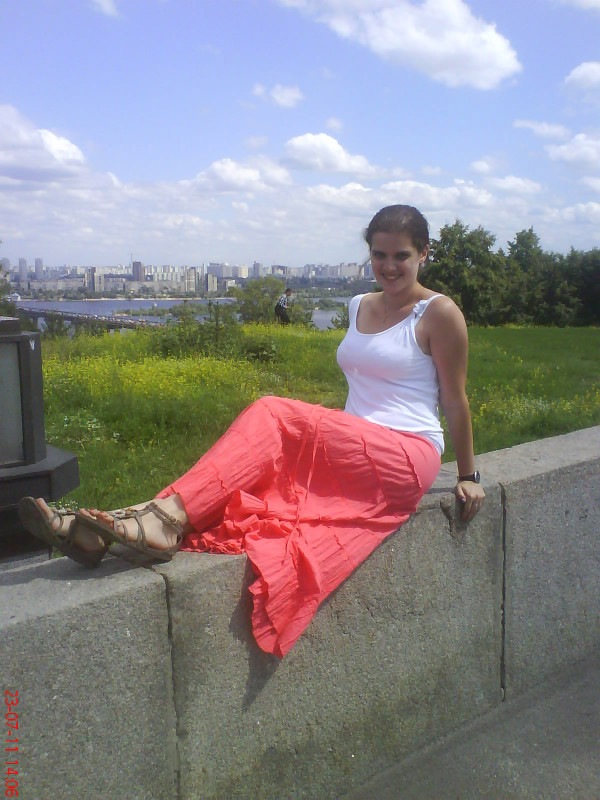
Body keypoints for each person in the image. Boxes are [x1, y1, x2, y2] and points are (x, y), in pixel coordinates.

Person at [19, 204, 485, 658]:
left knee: (273, 414)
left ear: (423, 253)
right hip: (354, 448)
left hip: (406, 454)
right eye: (379, 254)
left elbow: (455, 399)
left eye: (401, 255)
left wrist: (468, 475)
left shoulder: (438, 313)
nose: (388, 266)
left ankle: (157, 521)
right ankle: (106, 530)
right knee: (247, 479)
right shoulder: (358, 304)